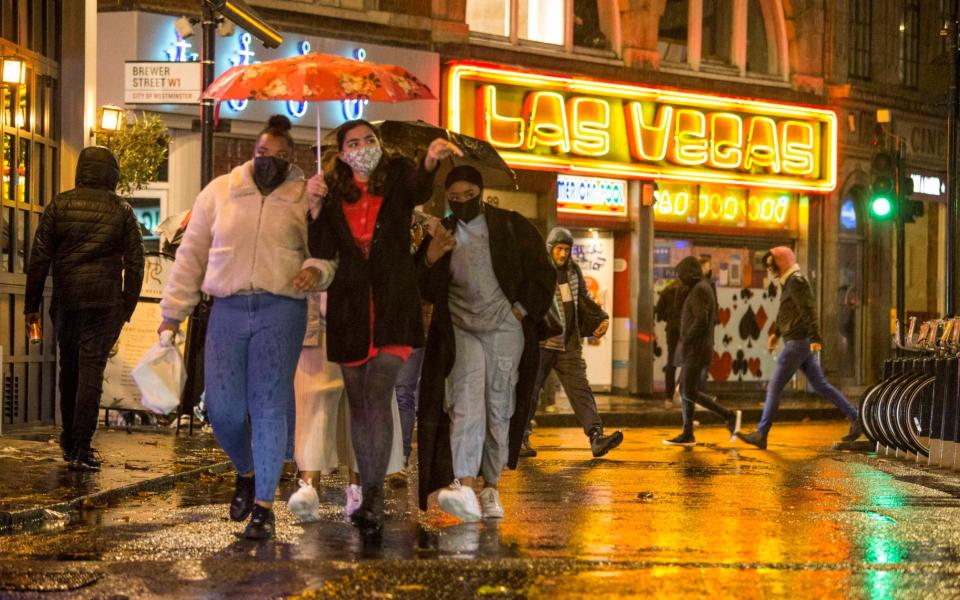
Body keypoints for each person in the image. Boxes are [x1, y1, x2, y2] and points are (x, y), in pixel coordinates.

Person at [159, 115, 335, 540]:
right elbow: (192, 255)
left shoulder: (305, 196)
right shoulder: (219, 192)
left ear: (292, 157)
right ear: (252, 152)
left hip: (282, 309)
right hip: (228, 309)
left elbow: (328, 254)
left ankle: (264, 506)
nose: (269, 160)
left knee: (270, 404)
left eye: (279, 155)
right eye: (262, 153)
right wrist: (172, 313)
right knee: (222, 409)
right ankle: (247, 471)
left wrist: (317, 269)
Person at [307, 119, 461, 539]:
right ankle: (367, 484)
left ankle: (372, 492)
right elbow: (321, 250)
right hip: (350, 310)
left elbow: (418, 188)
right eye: (353, 143)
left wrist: (430, 160)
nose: (362, 147)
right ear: (341, 153)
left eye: (368, 140)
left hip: (394, 307)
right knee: (359, 403)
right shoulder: (333, 191)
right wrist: (315, 207)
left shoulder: (395, 178)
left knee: (378, 392)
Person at [417, 165, 556, 522]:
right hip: (461, 330)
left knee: (499, 406)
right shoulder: (441, 232)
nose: (462, 202)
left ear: (480, 193)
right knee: (464, 405)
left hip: (505, 330)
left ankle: (491, 486)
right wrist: (432, 255)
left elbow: (543, 272)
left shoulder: (511, 225)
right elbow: (423, 287)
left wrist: (521, 311)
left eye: (468, 196)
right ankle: (463, 485)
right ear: (446, 198)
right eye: (454, 197)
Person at [24, 146, 145, 471]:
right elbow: (136, 263)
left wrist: (31, 306)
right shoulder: (122, 211)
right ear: (112, 174)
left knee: (70, 367)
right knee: (92, 369)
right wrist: (126, 307)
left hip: (67, 300)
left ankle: (67, 438)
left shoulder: (59, 205)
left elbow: (38, 259)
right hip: (104, 303)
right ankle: (82, 446)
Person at [290, 292, 405, 522]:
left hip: (363, 321)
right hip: (316, 318)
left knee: (361, 405)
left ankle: (358, 489)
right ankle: (309, 487)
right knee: (312, 402)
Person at [737, 248, 862, 449]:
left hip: (798, 342)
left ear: (783, 262)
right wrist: (776, 335)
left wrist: (815, 338)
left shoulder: (797, 281)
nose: (771, 270)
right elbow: (787, 312)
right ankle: (856, 418)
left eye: (773, 265)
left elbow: (808, 310)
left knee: (774, 386)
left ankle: (761, 433)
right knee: (821, 385)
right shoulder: (788, 283)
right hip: (797, 340)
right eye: (768, 267)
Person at [521, 227, 623, 458]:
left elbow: (583, 300)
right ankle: (521, 439)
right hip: (542, 343)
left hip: (569, 344)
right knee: (529, 393)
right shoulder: (537, 270)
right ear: (550, 248)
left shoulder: (573, 271)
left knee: (580, 391)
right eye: (559, 249)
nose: (563, 254)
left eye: (567, 249)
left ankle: (596, 436)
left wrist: (601, 318)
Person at [663, 256, 741, 447]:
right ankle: (688, 433)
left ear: (689, 273)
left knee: (688, 390)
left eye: (681, 275)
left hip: (695, 349)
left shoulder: (700, 290)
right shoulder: (698, 289)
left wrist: (686, 338)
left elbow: (701, 320)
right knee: (685, 390)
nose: (680, 279)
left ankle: (729, 415)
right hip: (693, 348)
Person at [654, 279, 686, 400]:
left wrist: (667, 317)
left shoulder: (667, 291)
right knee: (687, 361)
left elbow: (659, 312)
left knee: (671, 360)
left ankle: (669, 396)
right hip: (685, 329)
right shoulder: (687, 291)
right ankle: (682, 391)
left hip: (672, 328)